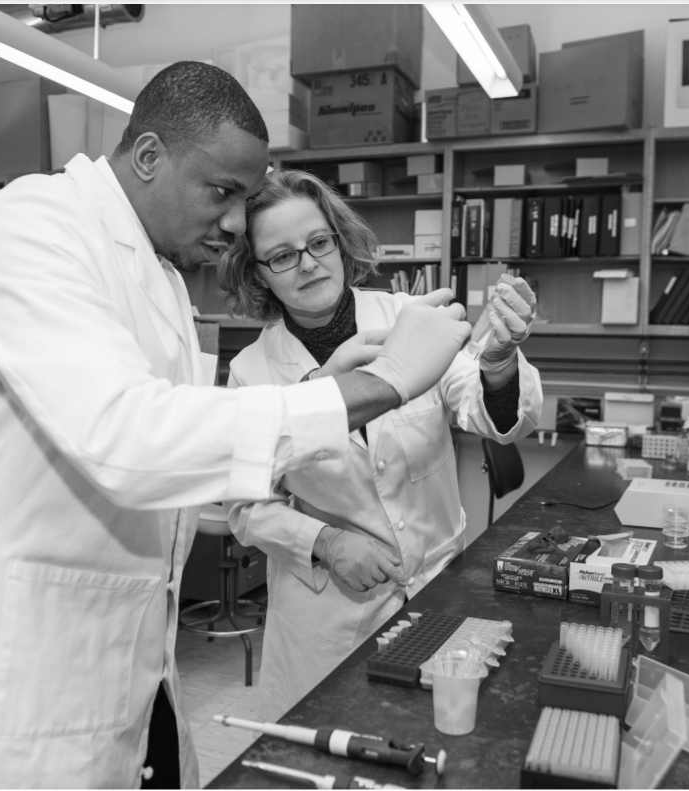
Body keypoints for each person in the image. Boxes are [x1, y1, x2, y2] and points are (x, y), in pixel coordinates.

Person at [0, 62, 474, 789]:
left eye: (246, 201)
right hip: (12, 657)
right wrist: (378, 384)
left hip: (127, 655)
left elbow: (196, 449)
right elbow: (128, 436)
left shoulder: (157, 275)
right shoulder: (28, 227)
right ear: (149, 155)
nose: (235, 223)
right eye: (222, 192)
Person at [217, 168, 543, 721]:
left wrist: (498, 363)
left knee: (441, 733)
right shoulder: (252, 372)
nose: (308, 263)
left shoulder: (407, 319)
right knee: (335, 749)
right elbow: (246, 505)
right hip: (329, 610)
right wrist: (325, 542)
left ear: (339, 243)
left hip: (438, 582)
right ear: (258, 274)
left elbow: (484, 408)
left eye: (318, 243)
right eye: (282, 256)